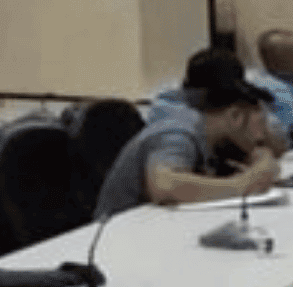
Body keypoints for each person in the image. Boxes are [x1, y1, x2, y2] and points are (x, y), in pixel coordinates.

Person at [94, 77, 280, 218]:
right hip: (114, 236)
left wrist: (259, 158)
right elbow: (165, 186)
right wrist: (244, 184)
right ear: (235, 116)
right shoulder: (177, 133)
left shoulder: (215, 137)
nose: (263, 134)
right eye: (261, 123)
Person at [147, 48, 289, 157]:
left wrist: (262, 134)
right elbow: (166, 180)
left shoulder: (243, 103)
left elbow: (281, 144)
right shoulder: (173, 112)